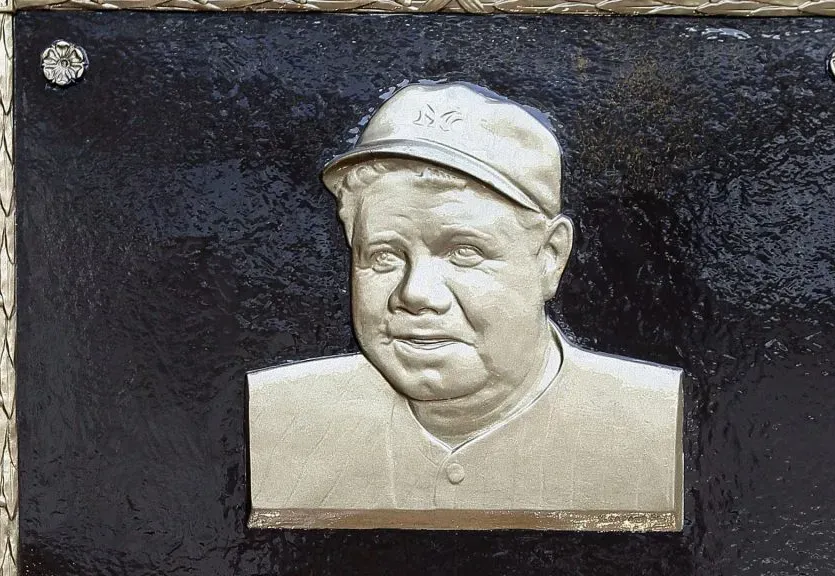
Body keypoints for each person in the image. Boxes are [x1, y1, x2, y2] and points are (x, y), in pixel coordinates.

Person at [247, 82, 683, 530]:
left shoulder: (650, 424)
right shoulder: (278, 417)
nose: (415, 293)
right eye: (383, 256)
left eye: (463, 252)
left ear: (550, 257)